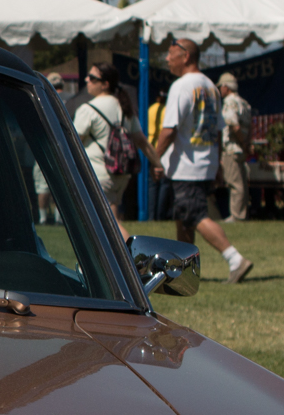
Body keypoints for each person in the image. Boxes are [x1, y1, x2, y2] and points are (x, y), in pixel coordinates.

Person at [152, 38, 254, 283]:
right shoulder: (210, 86)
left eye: (171, 53)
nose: (167, 58)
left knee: (195, 215)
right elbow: (218, 130)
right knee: (184, 217)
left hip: (187, 164)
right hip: (205, 161)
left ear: (185, 56)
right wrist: (217, 163)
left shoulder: (182, 86)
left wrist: (154, 158)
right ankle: (182, 272)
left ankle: (235, 259)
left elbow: (169, 129)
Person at [72, 63, 151, 227]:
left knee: (110, 225)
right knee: (112, 217)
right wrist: (158, 165)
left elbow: (72, 142)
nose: (87, 80)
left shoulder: (88, 109)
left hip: (98, 172)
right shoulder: (125, 108)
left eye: (92, 78)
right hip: (121, 174)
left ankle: (127, 253)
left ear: (105, 84)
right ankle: (118, 252)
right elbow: (141, 141)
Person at [217, 72, 253, 222]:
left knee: (235, 183)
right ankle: (241, 213)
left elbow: (233, 125)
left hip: (232, 147)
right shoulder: (243, 102)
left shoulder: (229, 103)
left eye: (220, 87)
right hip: (241, 148)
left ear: (226, 87)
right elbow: (249, 127)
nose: (219, 90)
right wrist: (247, 144)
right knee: (241, 182)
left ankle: (237, 216)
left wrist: (242, 143)